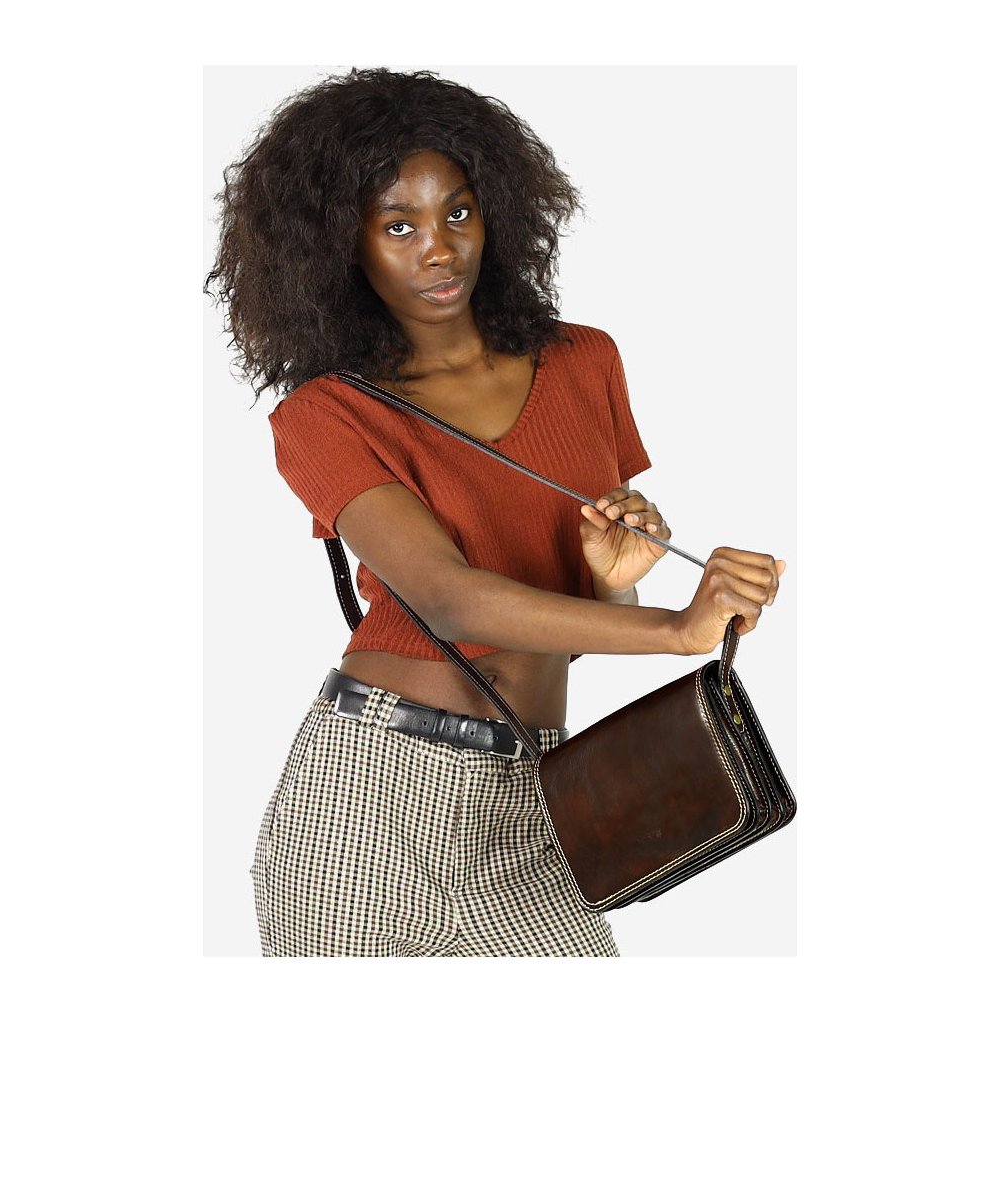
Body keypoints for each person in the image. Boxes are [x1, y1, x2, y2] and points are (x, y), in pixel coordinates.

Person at [205, 67, 785, 957]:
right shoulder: (325, 415)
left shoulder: (586, 361)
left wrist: (614, 582)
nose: (439, 249)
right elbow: (449, 600)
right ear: (340, 244)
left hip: (534, 789)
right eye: (399, 225)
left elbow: (571, 626)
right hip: (367, 802)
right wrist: (677, 630)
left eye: (459, 213)